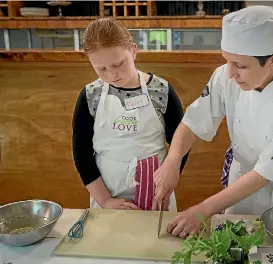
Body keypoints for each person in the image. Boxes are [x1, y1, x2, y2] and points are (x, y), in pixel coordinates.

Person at [153, 5, 273, 237]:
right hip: (242, 175)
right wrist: (172, 161)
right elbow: (193, 121)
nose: (230, 73)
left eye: (241, 66)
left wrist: (203, 210)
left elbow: (266, 173)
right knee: (235, 244)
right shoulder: (225, 76)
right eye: (227, 61)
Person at [72, 18, 188, 211]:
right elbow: (81, 154)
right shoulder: (90, 96)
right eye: (101, 69)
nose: (112, 75)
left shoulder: (160, 91)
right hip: (107, 193)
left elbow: (180, 142)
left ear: (133, 51)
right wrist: (105, 200)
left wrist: (168, 185)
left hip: (157, 194)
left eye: (118, 64)